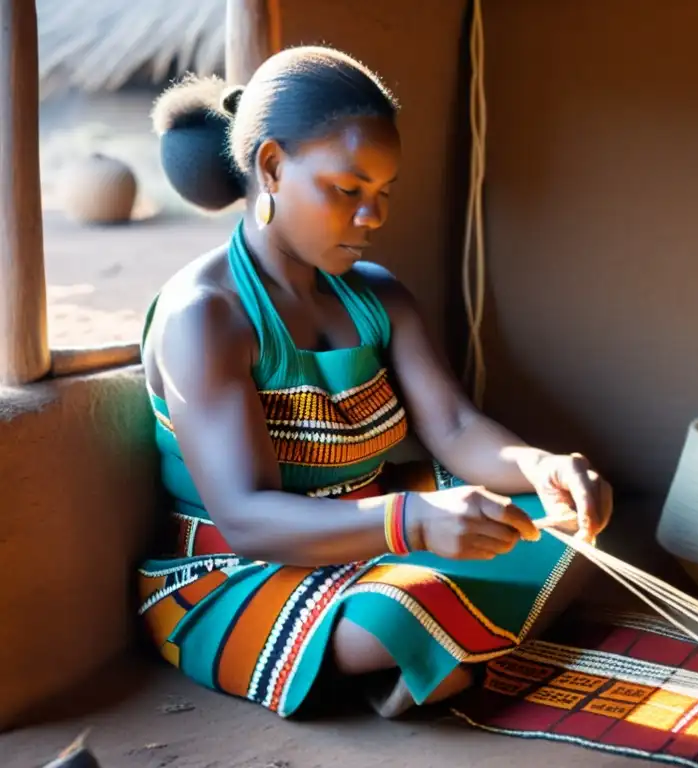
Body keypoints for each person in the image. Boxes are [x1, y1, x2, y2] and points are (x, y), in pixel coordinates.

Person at [137, 45, 613, 721]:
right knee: (405, 611)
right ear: (272, 167)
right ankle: (417, 650)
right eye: (347, 190)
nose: (374, 217)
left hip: (373, 539)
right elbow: (245, 519)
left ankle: (423, 661)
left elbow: (454, 428)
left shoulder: (377, 298)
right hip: (239, 574)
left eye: (383, 192)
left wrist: (539, 468)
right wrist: (411, 520)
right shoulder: (205, 316)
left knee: (567, 527)